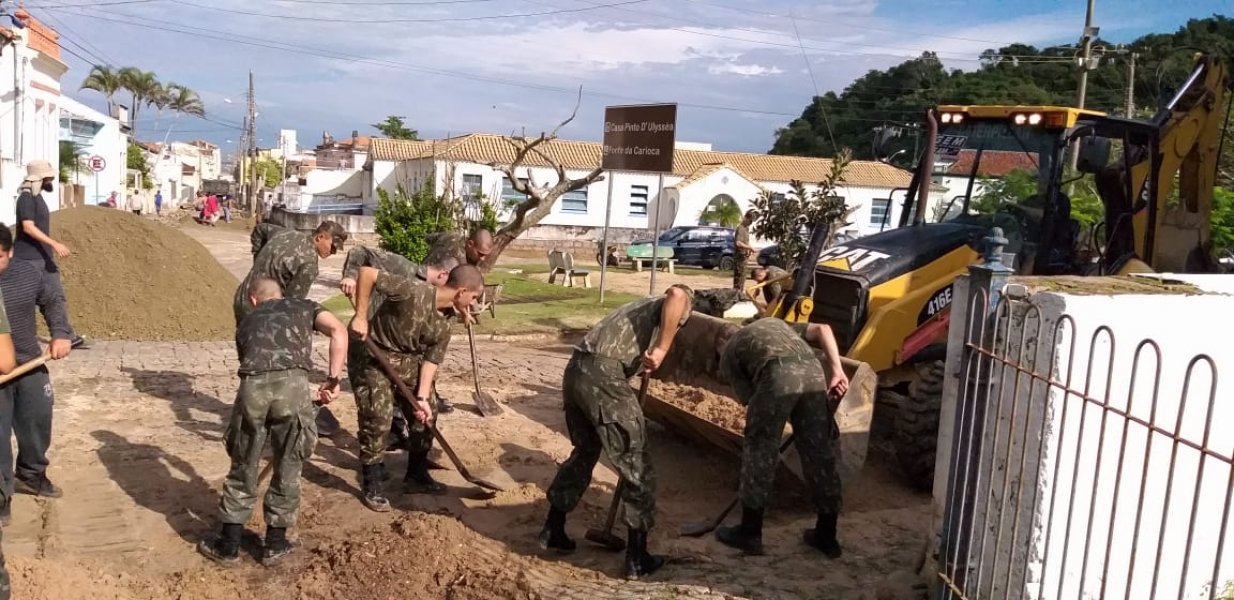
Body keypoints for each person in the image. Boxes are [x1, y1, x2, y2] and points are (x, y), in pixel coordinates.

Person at [539, 284, 694, 580]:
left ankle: (553, 528)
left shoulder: (639, 310)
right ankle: (637, 558)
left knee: (585, 452)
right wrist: (661, 349)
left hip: (576, 370)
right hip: (603, 375)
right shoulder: (676, 301)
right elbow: (676, 294)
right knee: (637, 464)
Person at [197, 276, 347, 567]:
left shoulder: (246, 323)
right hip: (293, 388)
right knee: (288, 465)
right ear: (282, 295)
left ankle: (228, 546)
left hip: (252, 390)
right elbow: (339, 331)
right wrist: (333, 379)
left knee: (243, 465)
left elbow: (250, 364)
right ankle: (275, 544)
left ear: (254, 300)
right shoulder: (305, 306)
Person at [347, 264, 484, 512]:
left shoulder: (446, 323)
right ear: (461, 291)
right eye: (473, 297)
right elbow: (367, 273)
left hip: (405, 360)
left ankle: (416, 475)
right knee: (378, 416)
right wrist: (360, 315)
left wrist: (420, 398)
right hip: (371, 354)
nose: (473, 304)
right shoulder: (413, 290)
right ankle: (373, 482)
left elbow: (431, 360)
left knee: (428, 409)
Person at [712, 317, 850, 557]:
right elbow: (824, 328)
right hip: (814, 371)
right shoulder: (774, 324)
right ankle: (827, 535)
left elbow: (751, 399)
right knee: (818, 451)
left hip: (777, 374)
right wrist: (837, 370)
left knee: (760, 447)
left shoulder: (730, 351)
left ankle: (749, 532)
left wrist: (778, 411)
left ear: (722, 343)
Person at [340, 244, 461, 445]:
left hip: (402, 355)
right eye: (452, 283)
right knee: (377, 411)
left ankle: (414, 462)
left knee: (421, 406)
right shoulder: (403, 268)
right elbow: (360, 253)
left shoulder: (438, 304)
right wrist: (349, 276)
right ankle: (378, 459)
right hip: (370, 343)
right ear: (443, 275)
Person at [0, 225, 72, 511]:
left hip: (29, 363)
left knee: (37, 422)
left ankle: (31, 475)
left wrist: (60, 334)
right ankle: (1, 495)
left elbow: (53, 300)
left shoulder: (27, 274)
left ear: (11, 253)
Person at [11, 160, 86, 351]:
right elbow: (28, 227)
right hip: (28, 259)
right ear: (41, 178)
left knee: (55, 296)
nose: (52, 179)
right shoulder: (26, 198)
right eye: (50, 176)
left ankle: (66, 335)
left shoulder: (38, 197)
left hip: (43, 258)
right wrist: (54, 243)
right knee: (30, 298)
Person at [233, 220, 347, 327]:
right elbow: (291, 304)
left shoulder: (286, 233)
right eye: (332, 247)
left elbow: (260, 229)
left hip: (242, 298)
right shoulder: (309, 264)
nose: (333, 252)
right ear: (320, 237)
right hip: (262, 314)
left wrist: (258, 257)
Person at [732, 210, 756, 291]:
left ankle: (739, 294)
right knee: (739, 280)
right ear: (746, 218)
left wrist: (748, 249)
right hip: (739, 259)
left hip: (744, 258)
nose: (751, 223)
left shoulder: (746, 229)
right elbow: (738, 243)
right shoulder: (740, 229)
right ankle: (737, 296)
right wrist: (749, 248)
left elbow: (745, 242)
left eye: (752, 221)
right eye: (750, 221)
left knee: (742, 279)